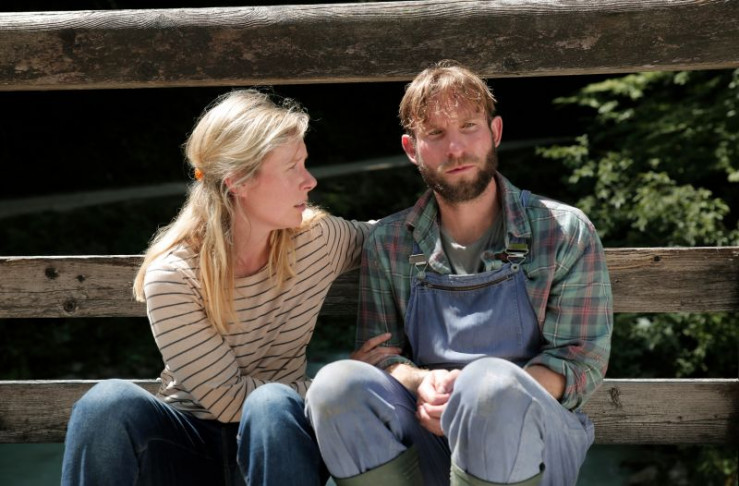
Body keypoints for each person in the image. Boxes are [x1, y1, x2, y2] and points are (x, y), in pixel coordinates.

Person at [61, 89, 397, 486]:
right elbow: (227, 399)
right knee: (105, 404)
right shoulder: (174, 275)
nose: (310, 181)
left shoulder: (316, 240)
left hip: (279, 440)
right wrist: (332, 386)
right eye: (293, 167)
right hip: (185, 452)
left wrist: (461, 197)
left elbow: (391, 235)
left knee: (271, 406)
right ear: (239, 181)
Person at [306, 61, 613, 486]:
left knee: (489, 387)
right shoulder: (390, 242)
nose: (455, 148)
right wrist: (423, 383)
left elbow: (579, 361)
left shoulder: (563, 231)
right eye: (435, 133)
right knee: (335, 384)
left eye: (469, 126)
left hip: (536, 444)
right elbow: (381, 358)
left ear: (495, 132)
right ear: (412, 149)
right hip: (426, 432)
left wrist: (476, 403)